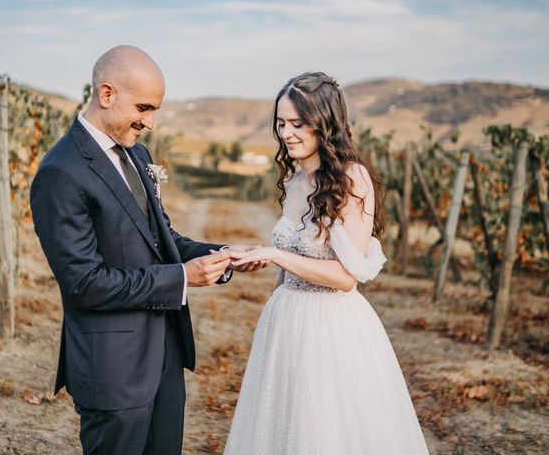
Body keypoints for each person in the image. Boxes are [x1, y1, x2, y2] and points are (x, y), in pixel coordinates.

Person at [30, 45, 264, 455]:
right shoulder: (60, 172)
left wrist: (224, 253)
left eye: (155, 109)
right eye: (143, 107)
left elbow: (161, 239)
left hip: (164, 356)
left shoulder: (138, 154)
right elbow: (85, 284)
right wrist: (183, 279)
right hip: (113, 368)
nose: (151, 122)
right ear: (106, 95)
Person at [224, 72, 429, 454]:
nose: (286, 133)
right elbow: (288, 266)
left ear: (325, 123)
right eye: (282, 123)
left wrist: (274, 254)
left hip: (330, 328)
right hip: (284, 323)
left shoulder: (353, 179)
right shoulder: (293, 181)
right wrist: (260, 262)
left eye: (298, 123)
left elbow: (346, 278)